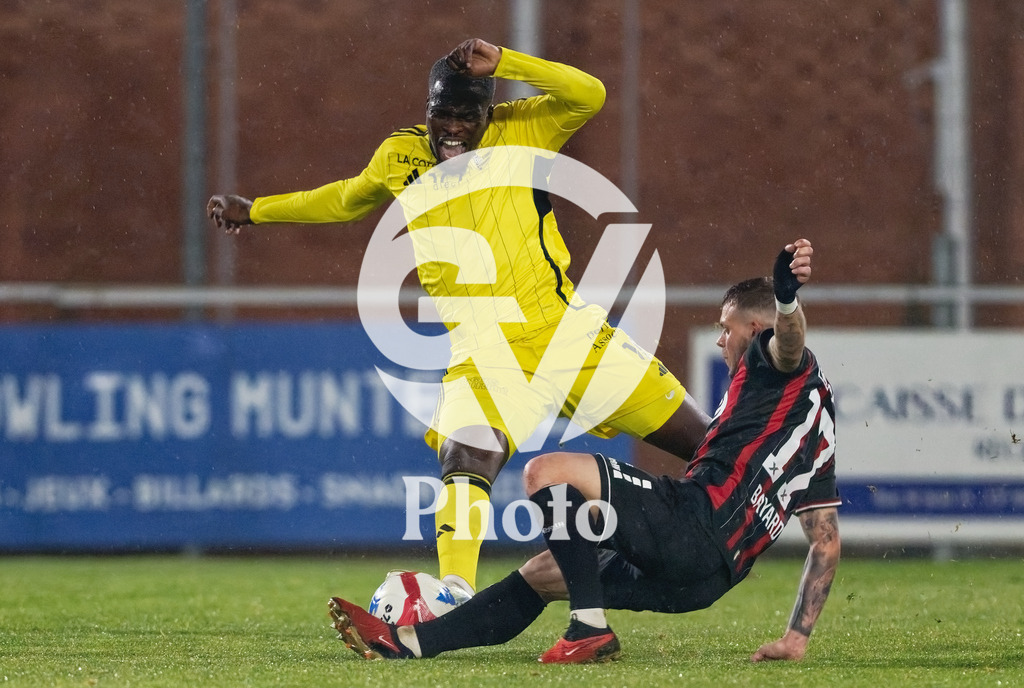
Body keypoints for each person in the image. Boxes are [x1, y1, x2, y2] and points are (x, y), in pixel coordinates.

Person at [208, 38, 710, 600]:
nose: (452, 128)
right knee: (465, 455)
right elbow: (346, 198)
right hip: (482, 350)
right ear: (426, 109)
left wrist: (507, 62)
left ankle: (742, 530)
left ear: (487, 113)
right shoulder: (400, 155)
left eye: (465, 116)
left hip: (563, 333)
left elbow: (588, 94)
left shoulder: (522, 130)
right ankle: (452, 593)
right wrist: (256, 210)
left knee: (710, 446)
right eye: (441, 114)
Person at [327, 238, 842, 664]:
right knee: (544, 573)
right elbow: (825, 542)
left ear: (755, 330)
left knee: (547, 471)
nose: (720, 341)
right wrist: (797, 637)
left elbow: (789, 344)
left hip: (695, 523)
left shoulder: (773, 359)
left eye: (725, 329)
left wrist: (787, 301)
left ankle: (588, 626)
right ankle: (410, 643)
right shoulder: (820, 431)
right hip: (708, 581)